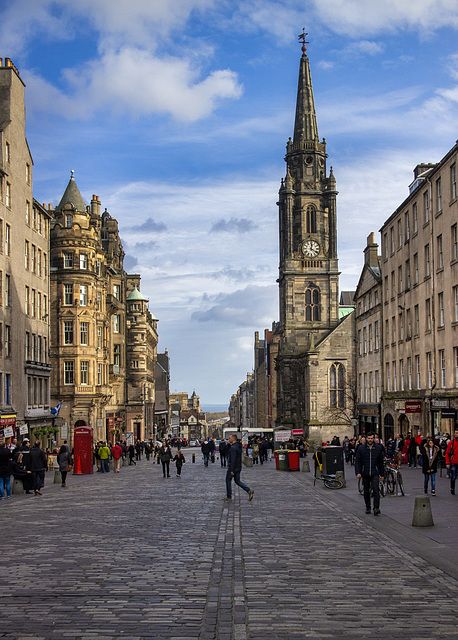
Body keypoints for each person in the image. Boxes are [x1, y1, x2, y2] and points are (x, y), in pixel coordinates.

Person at [355, 431, 385, 515]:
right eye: (369, 438)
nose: (370, 440)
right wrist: (358, 472)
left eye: (372, 438)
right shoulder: (361, 448)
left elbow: (380, 463)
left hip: (375, 472)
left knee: (376, 490)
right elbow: (358, 461)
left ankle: (376, 507)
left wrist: (382, 474)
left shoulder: (378, 448)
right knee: (366, 491)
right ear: (366, 439)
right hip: (365, 472)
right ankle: (368, 507)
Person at [222, 433, 254, 502]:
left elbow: (233, 459)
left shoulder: (233, 448)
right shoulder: (238, 446)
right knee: (237, 481)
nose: (229, 439)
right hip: (238, 467)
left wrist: (231, 469)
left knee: (228, 480)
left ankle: (229, 496)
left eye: (230, 438)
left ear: (233, 439)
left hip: (233, 467)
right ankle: (248, 490)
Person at [445, 429, 458, 495]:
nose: (456, 434)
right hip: (453, 462)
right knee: (453, 476)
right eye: (456, 433)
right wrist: (447, 462)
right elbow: (447, 453)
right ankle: (452, 488)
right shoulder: (451, 443)